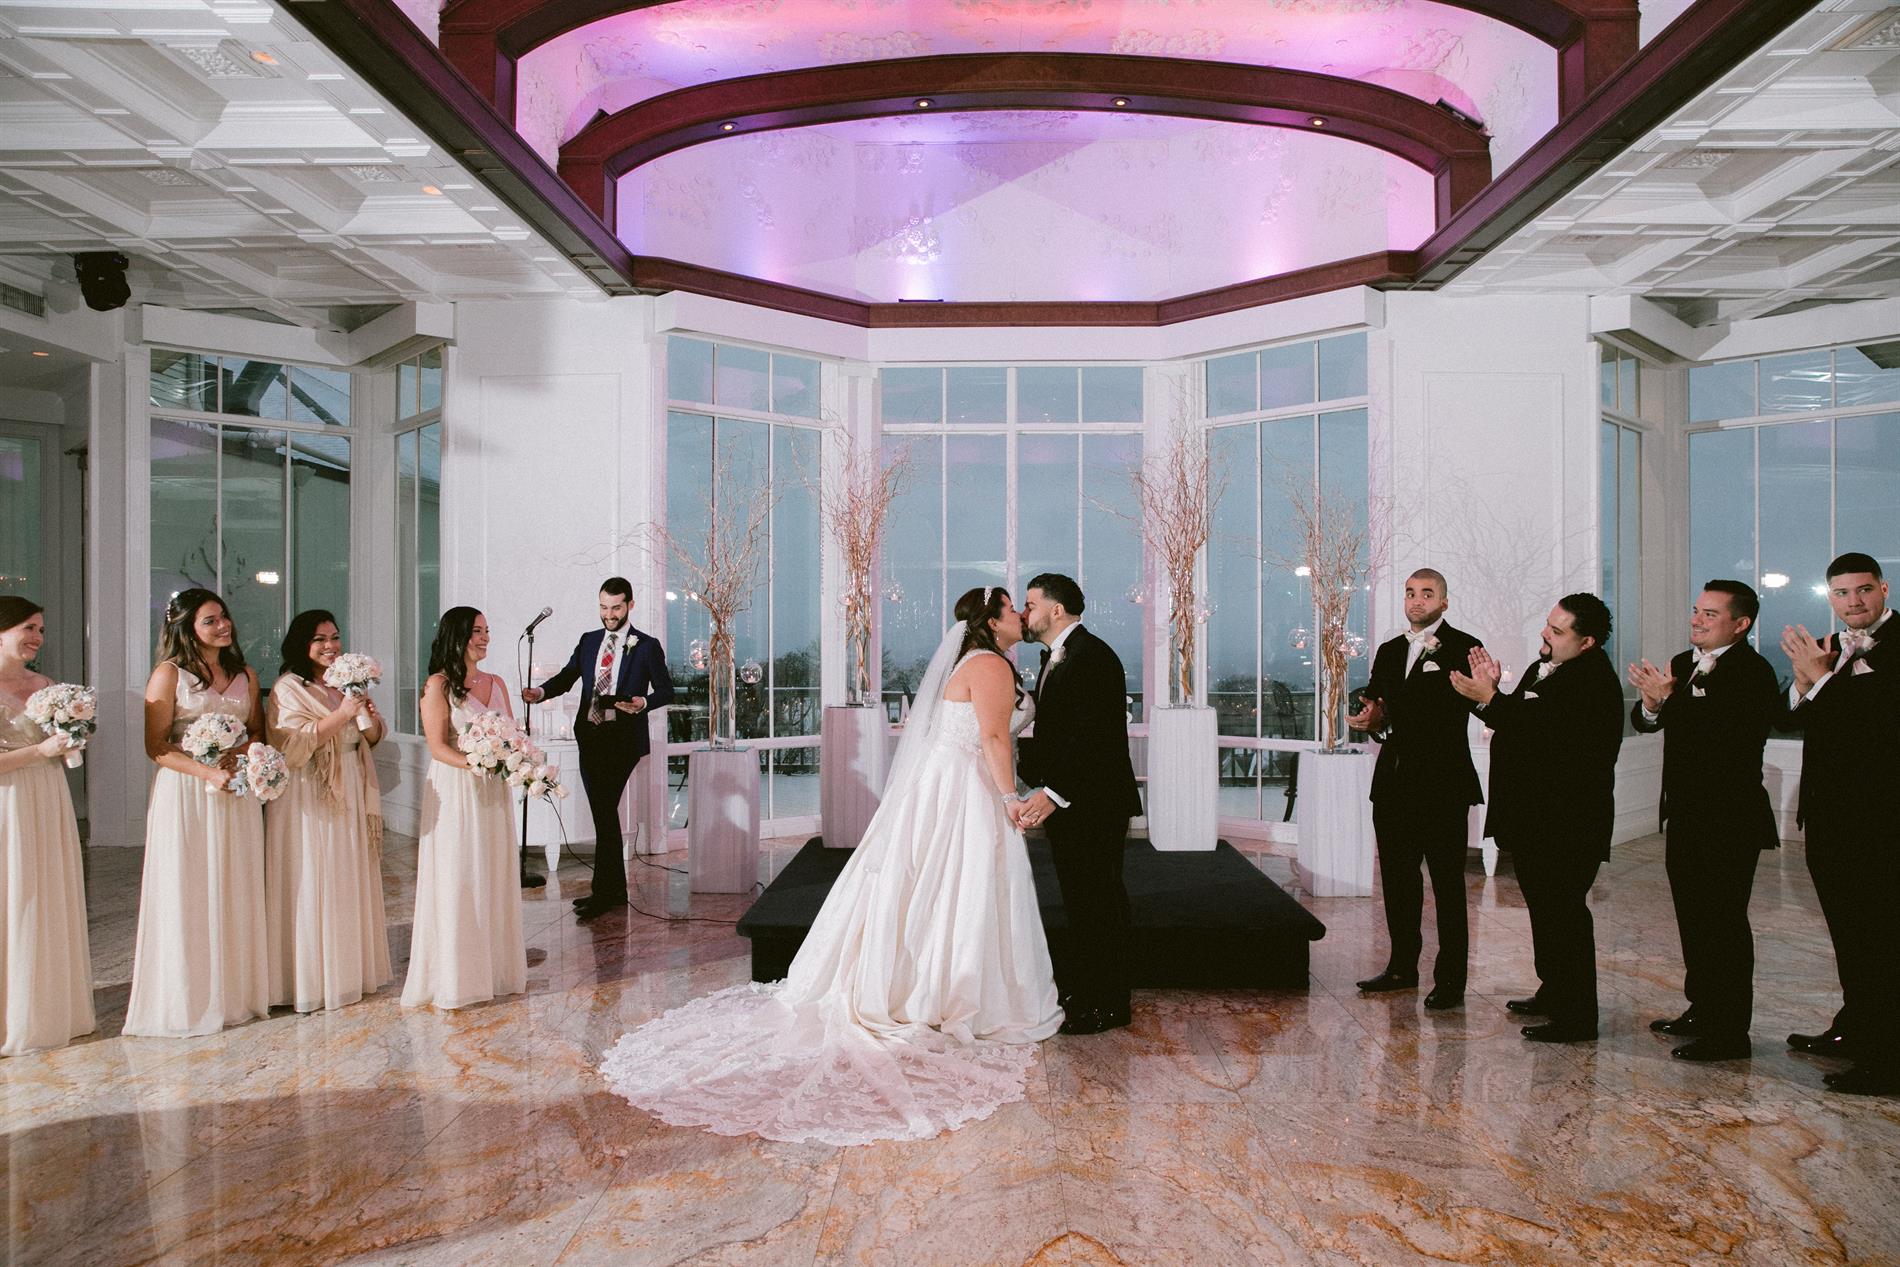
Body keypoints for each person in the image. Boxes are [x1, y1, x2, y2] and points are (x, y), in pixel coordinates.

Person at [598, 587, 1061, 1145]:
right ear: (991, 620)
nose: (1021, 616)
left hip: (947, 782)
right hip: (963, 788)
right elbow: (992, 736)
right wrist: (1011, 798)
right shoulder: (988, 664)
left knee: (939, 885)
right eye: (1012, 609)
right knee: (960, 885)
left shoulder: (975, 661)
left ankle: (927, 983)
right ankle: (944, 991)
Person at [1452, 593, 1623, 1043]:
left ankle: (1578, 1017)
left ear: (1587, 642)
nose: (1545, 634)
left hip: (1568, 824)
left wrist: (1491, 698)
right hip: (1535, 820)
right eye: (1549, 624)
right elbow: (1515, 720)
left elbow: (1542, 733)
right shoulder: (1541, 668)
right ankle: (1555, 992)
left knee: (1565, 917)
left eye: (1558, 630)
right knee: (1545, 914)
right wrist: (1486, 694)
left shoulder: (1592, 681)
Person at [1629, 580, 1779, 1062]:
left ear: (1741, 624)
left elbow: (1727, 739)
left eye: (1710, 614)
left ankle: (1730, 1032)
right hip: (1686, 814)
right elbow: (1645, 722)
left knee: (1724, 924)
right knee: (1693, 919)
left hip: (1730, 819)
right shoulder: (1681, 662)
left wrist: (1670, 703)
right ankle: (1702, 1008)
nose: (1696, 620)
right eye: (1696, 610)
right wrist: (1653, 704)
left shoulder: (1754, 672)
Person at [1777, 551, 1900, 1095]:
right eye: (1842, 593)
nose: (1854, 601)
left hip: (1880, 818)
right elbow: (1791, 717)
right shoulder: (1829, 645)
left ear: (1884, 589)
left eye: (1864, 590)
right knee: (1848, 935)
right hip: (1827, 816)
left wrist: (1823, 679)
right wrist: (1805, 682)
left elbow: (1879, 722)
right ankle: (1854, 1029)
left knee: (1881, 940)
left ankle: (1887, 1060)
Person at [124, 588, 271, 1037]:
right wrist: (207, 772)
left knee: (235, 881)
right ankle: (188, 996)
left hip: (237, 791)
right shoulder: (169, 674)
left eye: (224, 616)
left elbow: (257, 733)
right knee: (188, 886)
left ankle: (235, 993)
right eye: (210, 620)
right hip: (187, 792)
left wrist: (239, 757)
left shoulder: (245, 674)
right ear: (186, 628)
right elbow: (156, 746)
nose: (223, 625)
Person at [1347, 567, 1483, 1010]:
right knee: (1398, 882)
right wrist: (1371, 719)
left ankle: (1451, 980)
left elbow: (1466, 706)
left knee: (1447, 886)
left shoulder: (1464, 648)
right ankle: (1401, 968)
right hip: (1393, 783)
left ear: (1444, 602)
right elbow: (1379, 707)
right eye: (1410, 593)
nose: (1416, 600)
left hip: (1443, 786)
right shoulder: (1389, 650)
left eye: (1426, 593)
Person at [1016, 573, 1143, 1036]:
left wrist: (1052, 793)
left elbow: (1093, 738)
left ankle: (1110, 1003)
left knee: (1100, 901)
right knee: (1082, 901)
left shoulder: (1092, 656)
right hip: (1076, 801)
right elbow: (1058, 734)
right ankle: (1089, 989)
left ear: (1056, 610)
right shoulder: (1059, 656)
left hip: (1095, 802)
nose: (1024, 613)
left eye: (1030, 604)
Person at [521, 578, 674, 921]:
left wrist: (643, 702)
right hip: (590, 736)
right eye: (604, 607)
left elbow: (666, 690)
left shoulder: (646, 646)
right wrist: (540, 693)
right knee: (604, 814)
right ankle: (613, 892)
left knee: (603, 811)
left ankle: (603, 894)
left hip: (623, 740)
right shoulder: (589, 641)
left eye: (616, 608)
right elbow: (567, 677)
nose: (609, 614)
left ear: (630, 605)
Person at [264, 609, 392, 1013]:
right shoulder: (289, 687)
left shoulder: (343, 684)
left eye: (335, 637)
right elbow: (291, 746)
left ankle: (349, 970)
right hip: (311, 790)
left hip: (352, 781)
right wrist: (343, 713)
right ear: (302, 644)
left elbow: (371, 737)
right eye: (319, 639)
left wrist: (366, 715)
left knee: (347, 872)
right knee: (316, 872)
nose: (330, 646)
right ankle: (313, 978)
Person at [401, 608, 528, 1010]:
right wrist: (479, 762)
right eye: (476, 631)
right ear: (456, 635)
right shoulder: (438, 685)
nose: (485, 637)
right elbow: (438, 747)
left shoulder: (497, 683)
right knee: (460, 874)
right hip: (457, 789)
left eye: (487, 630)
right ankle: (458, 977)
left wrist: (517, 759)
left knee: (492, 871)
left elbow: (513, 735)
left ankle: (496, 971)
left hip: (493, 793)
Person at [0, 598, 95, 1054]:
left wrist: (73, 737)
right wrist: (40, 751)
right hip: (7, 800)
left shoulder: (46, 686)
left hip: (48, 797)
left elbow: (63, 747)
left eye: (40, 629)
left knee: (45, 891)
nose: (37, 637)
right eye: (28, 627)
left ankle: (49, 1006)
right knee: (11, 894)